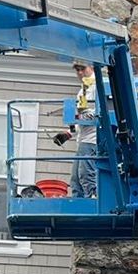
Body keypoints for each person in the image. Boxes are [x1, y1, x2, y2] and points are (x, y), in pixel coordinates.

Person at [51, 59, 99, 197]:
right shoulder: (83, 89)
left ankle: (92, 200)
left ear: (91, 67)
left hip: (93, 138)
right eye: (77, 69)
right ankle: (78, 203)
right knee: (76, 179)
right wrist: (68, 134)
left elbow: (96, 115)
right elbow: (81, 116)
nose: (80, 72)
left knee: (86, 175)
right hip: (83, 138)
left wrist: (76, 116)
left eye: (82, 68)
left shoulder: (98, 87)